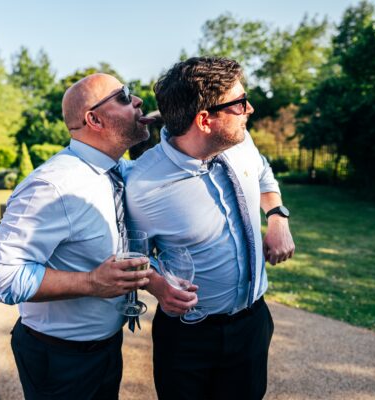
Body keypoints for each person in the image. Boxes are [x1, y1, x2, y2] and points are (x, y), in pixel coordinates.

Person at [126, 57, 295, 400]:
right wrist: (158, 285)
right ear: (204, 120)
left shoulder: (240, 140)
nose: (249, 108)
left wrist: (277, 217)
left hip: (252, 323)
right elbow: (134, 255)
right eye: (239, 103)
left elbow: (263, 175)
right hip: (188, 339)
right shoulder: (142, 184)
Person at [0, 73, 154, 400]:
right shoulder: (53, 186)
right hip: (60, 359)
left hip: (105, 346)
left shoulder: (118, 171)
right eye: (123, 96)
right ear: (94, 119)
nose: (137, 100)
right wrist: (90, 282)